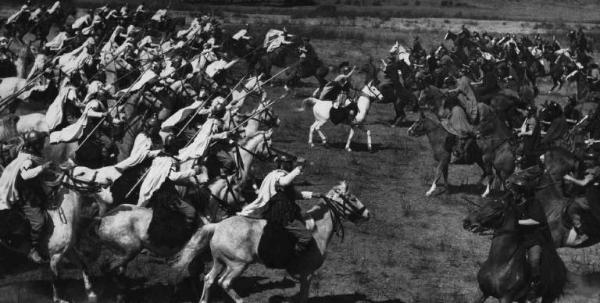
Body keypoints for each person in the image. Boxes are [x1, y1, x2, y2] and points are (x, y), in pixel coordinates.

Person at [239, 155, 325, 256]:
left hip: (285, 209)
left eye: (291, 164)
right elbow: (284, 182)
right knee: (306, 237)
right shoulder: (278, 175)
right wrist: (299, 168)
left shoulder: (281, 174)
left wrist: (313, 194)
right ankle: (293, 258)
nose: (291, 166)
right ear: (283, 164)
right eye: (289, 164)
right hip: (282, 213)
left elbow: (293, 194)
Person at [0, 131, 52, 263]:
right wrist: (42, 168)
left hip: (32, 189)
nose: (42, 145)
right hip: (26, 195)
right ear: (36, 144)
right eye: (40, 142)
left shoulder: (29, 154)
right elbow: (25, 175)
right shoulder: (28, 160)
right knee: (39, 222)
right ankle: (34, 248)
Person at [507, 174, 547, 297]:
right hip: (518, 237)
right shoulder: (512, 202)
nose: (512, 192)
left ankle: (535, 286)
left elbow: (537, 220)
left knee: (533, 261)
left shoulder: (534, 203)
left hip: (533, 239)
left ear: (521, 192)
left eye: (514, 190)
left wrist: (517, 223)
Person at [563, 152, 600, 245]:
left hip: (593, 196)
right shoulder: (588, 169)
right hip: (590, 195)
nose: (586, 161)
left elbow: (583, 183)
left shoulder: (596, 169)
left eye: (588, 159)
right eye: (586, 159)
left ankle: (582, 233)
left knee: (573, 208)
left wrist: (570, 179)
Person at [516, 105, 540, 169]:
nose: (525, 112)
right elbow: (524, 128)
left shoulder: (532, 119)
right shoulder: (528, 118)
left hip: (529, 141)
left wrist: (521, 133)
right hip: (526, 139)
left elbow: (530, 132)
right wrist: (518, 130)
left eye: (527, 111)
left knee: (522, 152)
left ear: (531, 112)